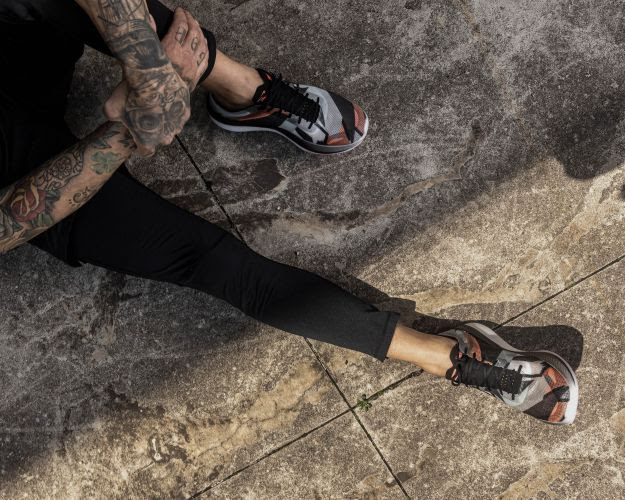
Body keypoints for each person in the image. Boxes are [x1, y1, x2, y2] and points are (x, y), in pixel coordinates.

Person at [0, 0, 578, 425]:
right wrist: (129, 131)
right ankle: (447, 353)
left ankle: (241, 91)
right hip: (27, 185)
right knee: (217, 266)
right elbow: (10, 222)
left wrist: (151, 72)